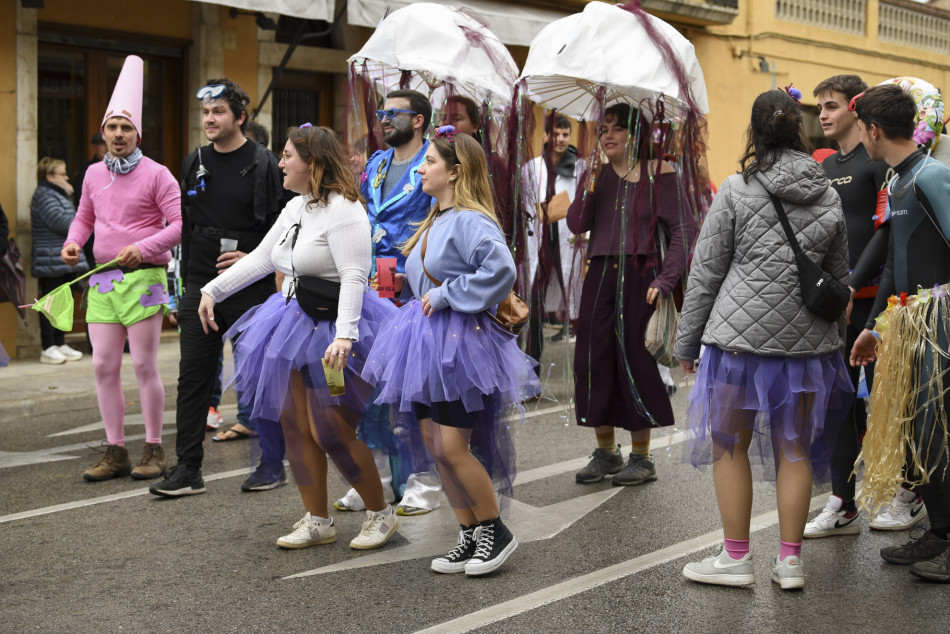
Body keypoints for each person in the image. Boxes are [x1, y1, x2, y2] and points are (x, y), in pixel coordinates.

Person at [676, 89, 852, 590]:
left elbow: (706, 272)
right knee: (794, 449)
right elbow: (838, 278)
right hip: (807, 348)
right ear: (798, 129)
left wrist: (687, 345)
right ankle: (790, 563)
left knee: (729, 446)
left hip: (737, 344)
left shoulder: (736, 189)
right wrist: (833, 343)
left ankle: (736, 559)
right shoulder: (828, 193)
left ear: (755, 132)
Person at [198, 124, 399, 550]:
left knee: (331, 430)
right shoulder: (296, 207)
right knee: (293, 424)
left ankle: (380, 513)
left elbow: (352, 276)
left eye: (288, 155)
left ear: (314, 163)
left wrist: (344, 336)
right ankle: (318, 519)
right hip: (290, 323)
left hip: (336, 330)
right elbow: (262, 258)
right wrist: (212, 291)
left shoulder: (345, 209)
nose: (281, 161)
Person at [362, 126, 540, 574]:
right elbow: (436, 274)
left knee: (453, 445)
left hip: (457, 345)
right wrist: (406, 284)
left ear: (455, 172)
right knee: (435, 446)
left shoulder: (472, 220)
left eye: (431, 163)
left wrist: (444, 295)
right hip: (423, 339)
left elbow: (500, 271)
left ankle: (495, 531)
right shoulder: (436, 218)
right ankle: (469, 533)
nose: (421, 169)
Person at [150, 78, 287, 498]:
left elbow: (283, 230)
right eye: (205, 112)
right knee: (192, 376)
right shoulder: (193, 161)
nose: (209, 119)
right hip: (200, 284)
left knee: (258, 376)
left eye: (218, 112)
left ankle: (270, 463)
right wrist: (186, 287)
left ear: (239, 117)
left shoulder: (265, 163)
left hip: (251, 284)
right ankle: (188, 468)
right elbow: (186, 227)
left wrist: (254, 260)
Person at [61, 55, 181, 482]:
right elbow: (84, 218)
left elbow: (179, 226)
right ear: (104, 133)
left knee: (144, 365)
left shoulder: (159, 174)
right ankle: (115, 452)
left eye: (125, 128)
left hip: (146, 279)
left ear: (137, 134)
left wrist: (142, 247)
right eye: (112, 127)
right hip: (103, 280)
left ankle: (153, 448)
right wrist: (74, 241)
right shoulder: (93, 174)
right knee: (102, 365)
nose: (117, 134)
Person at [849, 84, 950, 582]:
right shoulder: (897, 180)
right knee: (913, 430)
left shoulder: (933, 175)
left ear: (871, 129)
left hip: (939, 323)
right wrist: (872, 329)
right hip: (906, 323)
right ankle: (941, 532)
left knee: (939, 431)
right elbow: (892, 265)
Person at [567, 103, 697, 486]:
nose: (606, 135)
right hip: (600, 274)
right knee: (591, 361)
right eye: (602, 128)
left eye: (616, 129)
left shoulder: (662, 173)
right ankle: (606, 451)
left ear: (635, 135)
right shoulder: (598, 176)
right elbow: (577, 223)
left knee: (636, 363)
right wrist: (587, 183)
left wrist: (667, 280)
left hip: (643, 279)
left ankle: (642, 457)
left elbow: (684, 231)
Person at [803, 75, 901, 538]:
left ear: (855, 110)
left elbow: (887, 232)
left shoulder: (876, 160)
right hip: (834, 310)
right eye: (819, 106)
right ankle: (843, 502)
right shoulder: (823, 164)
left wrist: (855, 287)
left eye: (832, 105)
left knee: (887, 403)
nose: (822, 113)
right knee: (838, 406)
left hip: (877, 305)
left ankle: (910, 491)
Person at [335, 88, 441, 516]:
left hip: (412, 288)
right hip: (371, 288)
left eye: (392, 113)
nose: (382, 120)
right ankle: (372, 479)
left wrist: (415, 268)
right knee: (368, 384)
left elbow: (442, 219)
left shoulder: (434, 161)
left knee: (411, 389)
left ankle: (422, 481)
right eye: (381, 113)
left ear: (417, 120)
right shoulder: (376, 164)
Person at [523, 114, 586, 365]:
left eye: (565, 135)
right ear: (547, 135)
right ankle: (531, 371)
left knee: (578, 306)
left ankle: (583, 369)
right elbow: (525, 205)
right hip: (539, 247)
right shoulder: (531, 168)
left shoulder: (580, 167)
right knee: (534, 309)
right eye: (556, 134)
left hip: (568, 245)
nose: (560, 139)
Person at [31, 157, 89, 364]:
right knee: (50, 302)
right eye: (62, 173)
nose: (66, 177)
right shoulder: (45, 195)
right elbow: (62, 221)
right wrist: (84, 221)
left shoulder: (59, 194)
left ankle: (60, 341)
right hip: (50, 258)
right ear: (49, 176)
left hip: (61, 258)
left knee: (63, 302)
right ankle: (48, 346)